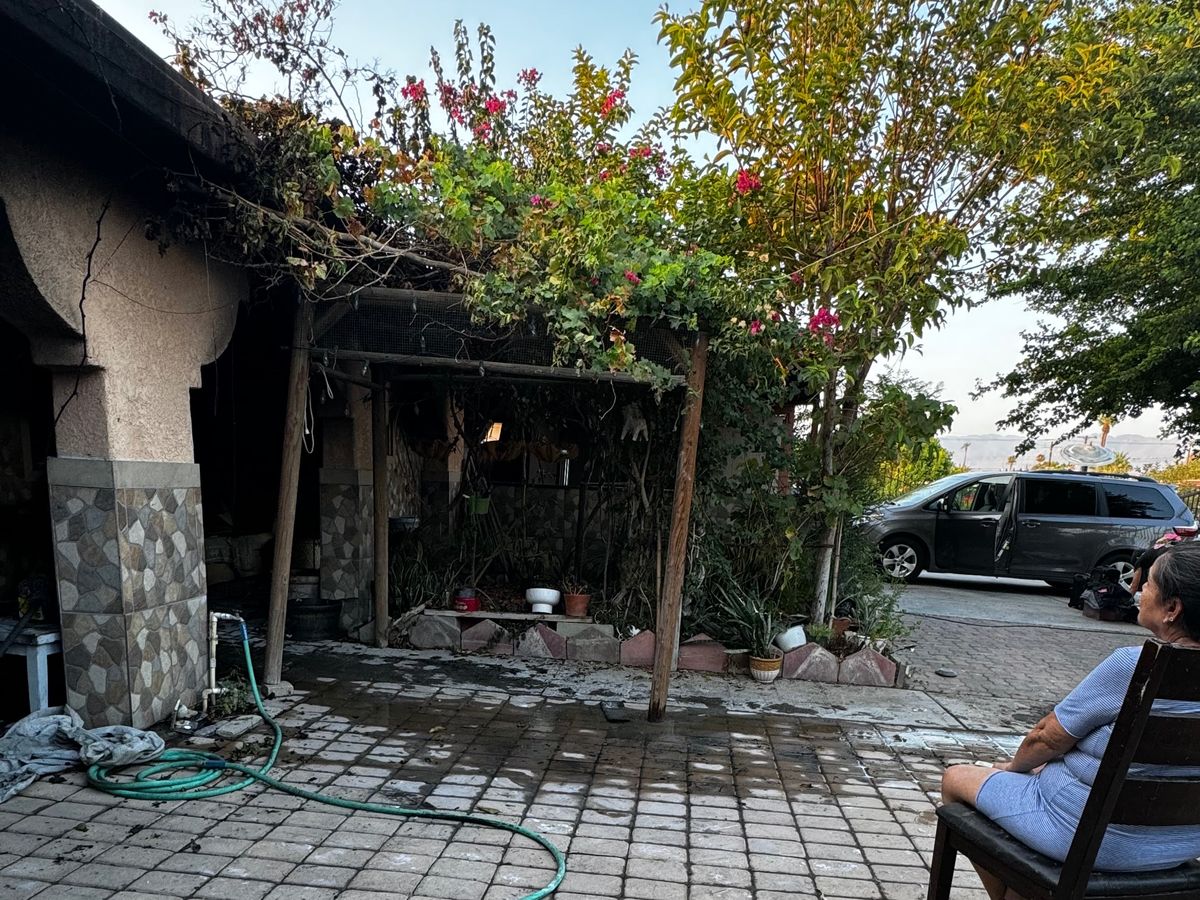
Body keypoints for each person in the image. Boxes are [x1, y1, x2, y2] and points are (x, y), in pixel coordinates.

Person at [940, 543, 1200, 900]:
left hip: (1088, 836)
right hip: (1178, 845)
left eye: (1149, 583)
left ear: (1172, 609)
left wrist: (1014, 767)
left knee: (956, 779)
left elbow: (1046, 738)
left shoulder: (1135, 667)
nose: (1139, 590)